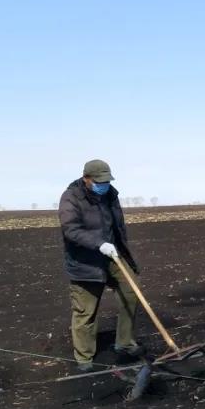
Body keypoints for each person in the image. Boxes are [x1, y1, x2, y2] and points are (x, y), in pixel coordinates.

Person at [58, 159, 142, 372]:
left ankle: (125, 343)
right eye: (99, 182)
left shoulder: (110, 194)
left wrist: (119, 249)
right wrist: (99, 244)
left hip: (113, 256)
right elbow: (71, 230)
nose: (104, 185)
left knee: (131, 292)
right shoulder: (71, 197)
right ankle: (84, 356)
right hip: (85, 262)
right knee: (85, 311)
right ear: (86, 178)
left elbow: (117, 226)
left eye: (106, 181)